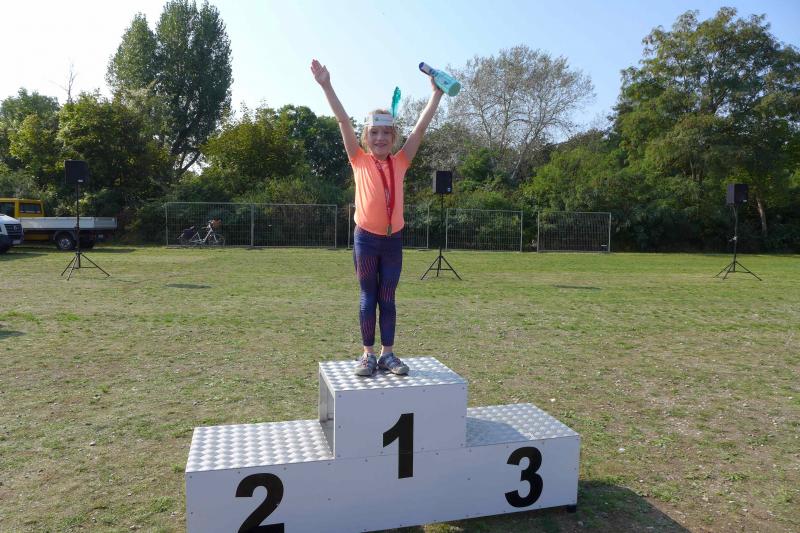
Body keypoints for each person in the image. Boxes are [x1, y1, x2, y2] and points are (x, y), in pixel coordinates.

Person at [311, 58, 443, 376]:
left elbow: (421, 128)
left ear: (393, 137)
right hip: (366, 240)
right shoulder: (357, 159)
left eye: (386, 133)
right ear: (366, 136)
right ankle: (367, 354)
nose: (380, 138)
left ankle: (388, 354)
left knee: (388, 297)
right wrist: (326, 85)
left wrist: (436, 94)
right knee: (368, 296)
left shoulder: (401, 160)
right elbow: (343, 120)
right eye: (374, 133)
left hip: (392, 240)